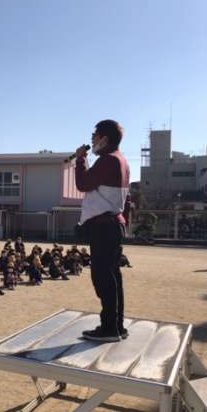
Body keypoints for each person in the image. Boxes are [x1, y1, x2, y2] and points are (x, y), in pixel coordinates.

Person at [75, 120, 130, 342]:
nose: (92, 139)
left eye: (95, 135)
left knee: (103, 278)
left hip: (103, 227)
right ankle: (117, 325)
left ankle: (109, 328)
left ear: (105, 139)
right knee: (113, 276)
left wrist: (80, 159)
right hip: (113, 225)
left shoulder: (107, 160)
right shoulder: (121, 160)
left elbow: (83, 184)